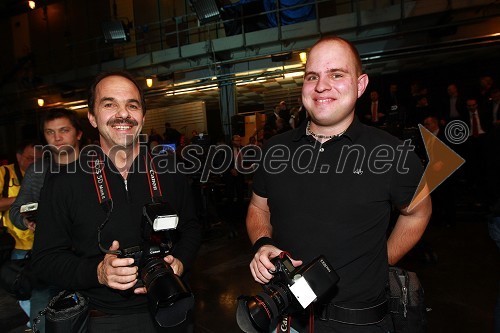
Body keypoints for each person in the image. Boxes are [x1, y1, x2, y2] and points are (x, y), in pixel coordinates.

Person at [246, 36, 431, 332]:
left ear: (360, 85)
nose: (322, 86)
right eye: (312, 77)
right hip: (286, 319)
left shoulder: (394, 153)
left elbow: (419, 211)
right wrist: (263, 244)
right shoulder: (275, 149)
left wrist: (380, 260)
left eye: (337, 74)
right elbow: (258, 208)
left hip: (359, 323)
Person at [31, 71, 202, 332]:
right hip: (104, 318)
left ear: (143, 116)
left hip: (173, 309)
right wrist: (97, 272)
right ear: (91, 117)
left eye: (132, 105)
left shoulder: (170, 170)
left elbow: (191, 227)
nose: (123, 114)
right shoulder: (63, 182)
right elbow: (45, 260)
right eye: (109, 104)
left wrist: (180, 259)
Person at [10, 108, 83, 332]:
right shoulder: (38, 170)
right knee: (41, 325)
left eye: (64, 130)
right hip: (48, 264)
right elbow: (16, 211)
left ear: (78, 133)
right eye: (50, 132)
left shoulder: (95, 166)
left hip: (87, 263)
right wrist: (28, 220)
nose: (57, 137)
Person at [0, 141, 41, 329]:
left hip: (40, 242)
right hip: (17, 243)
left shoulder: (43, 173)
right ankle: (35, 322)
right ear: (18, 157)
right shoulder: (4, 173)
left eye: (38, 159)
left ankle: (38, 322)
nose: (34, 162)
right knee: (22, 287)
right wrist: (23, 199)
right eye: (29, 158)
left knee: (42, 289)